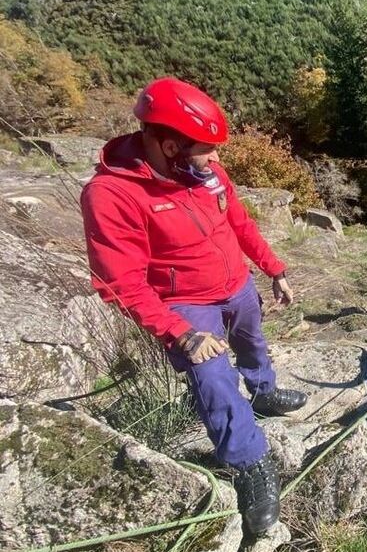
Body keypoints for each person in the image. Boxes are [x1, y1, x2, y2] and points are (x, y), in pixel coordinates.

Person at [80, 77, 307, 535]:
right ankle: (250, 462)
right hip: (184, 303)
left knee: (252, 342)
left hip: (236, 284)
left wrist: (273, 268)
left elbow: (239, 223)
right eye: (208, 150)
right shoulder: (111, 196)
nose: (217, 160)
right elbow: (120, 282)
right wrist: (180, 333)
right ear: (170, 146)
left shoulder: (205, 174)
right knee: (212, 376)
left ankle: (263, 391)